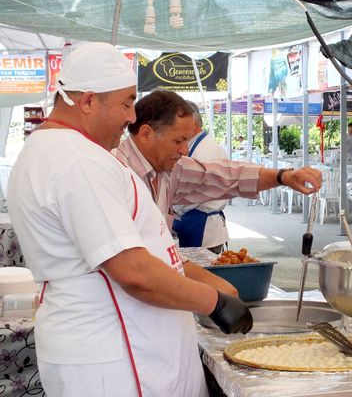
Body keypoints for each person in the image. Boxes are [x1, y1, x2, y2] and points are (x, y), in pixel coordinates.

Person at [7, 42, 255, 397]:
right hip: (117, 358)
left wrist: (204, 279)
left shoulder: (63, 151)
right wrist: (214, 303)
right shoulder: (77, 160)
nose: (130, 117)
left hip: (123, 350)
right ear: (88, 101)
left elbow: (143, 248)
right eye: (126, 103)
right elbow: (134, 272)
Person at [114, 91, 321, 251]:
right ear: (146, 134)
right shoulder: (116, 172)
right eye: (178, 141)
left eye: (187, 141)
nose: (184, 150)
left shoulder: (167, 168)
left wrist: (283, 176)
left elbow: (226, 176)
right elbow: (129, 264)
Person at [173, 101, 230, 252]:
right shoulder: (200, 145)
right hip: (200, 223)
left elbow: (192, 193)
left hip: (203, 227)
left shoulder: (205, 151)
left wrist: (172, 209)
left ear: (192, 122)